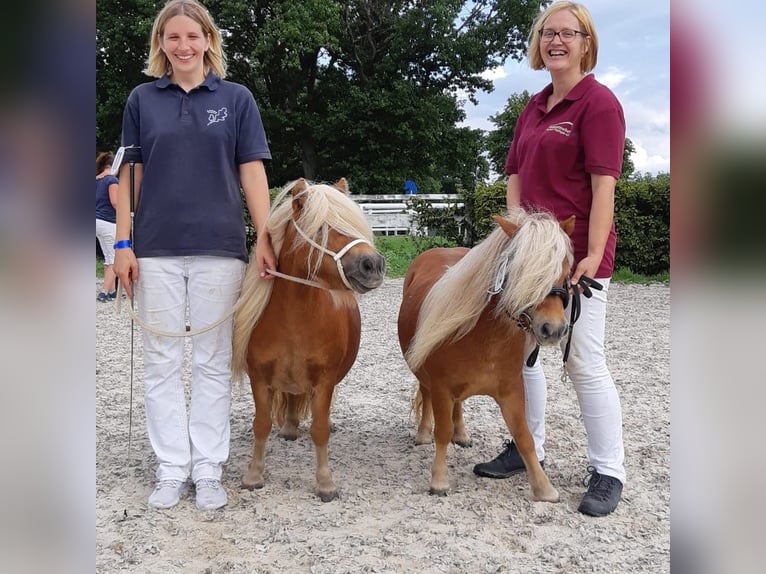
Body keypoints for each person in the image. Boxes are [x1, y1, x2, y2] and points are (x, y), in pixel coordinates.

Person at [112, 0, 276, 511]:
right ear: (160, 44)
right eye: (172, 37)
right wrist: (120, 244)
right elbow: (128, 175)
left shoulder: (237, 98)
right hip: (155, 249)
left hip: (220, 249)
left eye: (193, 36)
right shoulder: (142, 99)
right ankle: (170, 468)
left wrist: (265, 236)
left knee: (210, 363)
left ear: (209, 40)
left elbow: (252, 171)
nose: (183, 46)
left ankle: (207, 469)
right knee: (160, 362)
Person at [472, 1, 626, 517]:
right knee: (526, 358)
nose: (555, 40)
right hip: (532, 259)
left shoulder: (598, 104)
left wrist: (593, 254)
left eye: (568, 32)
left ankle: (608, 471)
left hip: (576, 261)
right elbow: (515, 176)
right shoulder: (533, 107)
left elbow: (604, 187)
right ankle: (525, 446)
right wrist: (517, 235)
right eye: (547, 33)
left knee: (583, 362)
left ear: (587, 42)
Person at [96, 151, 119, 302]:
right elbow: (115, 202)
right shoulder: (111, 180)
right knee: (114, 258)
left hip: (95, 220)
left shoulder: (96, 180)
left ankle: (111, 290)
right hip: (107, 221)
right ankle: (104, 292)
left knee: (107, 256)